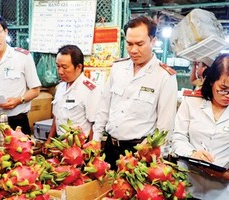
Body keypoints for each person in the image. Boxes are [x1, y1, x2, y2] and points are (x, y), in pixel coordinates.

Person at [92, 16, 178, 170]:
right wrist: (96, 137)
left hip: (140, 153)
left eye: (140, 44)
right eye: (129, 44)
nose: (133, 50)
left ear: (153, 41)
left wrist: (153, 149)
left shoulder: (164, 76)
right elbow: (104, 106)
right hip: (111, 148)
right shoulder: (118, 68)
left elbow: (165, 125)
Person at [172, 53, 229, 200]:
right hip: (189, 187)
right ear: (211, 82)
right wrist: (192, 153)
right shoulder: (191, 102)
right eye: (223, 88)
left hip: (223, 192)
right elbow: (178, 136)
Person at [0, 14, 41, 134]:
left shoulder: (23, 57)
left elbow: (35, 90)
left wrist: (19, 100)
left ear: (5, 31)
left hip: (18, 122)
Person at [42, 45, 101, 151]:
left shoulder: (89, 90)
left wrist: (91, 150)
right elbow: (57, 117)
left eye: (64, 67)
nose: (60, 71)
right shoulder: (60, 87)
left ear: (78, 67)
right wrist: (49, 141)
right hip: (60, 144)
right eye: (57, 66)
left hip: (79, 147)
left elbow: (95, 124)